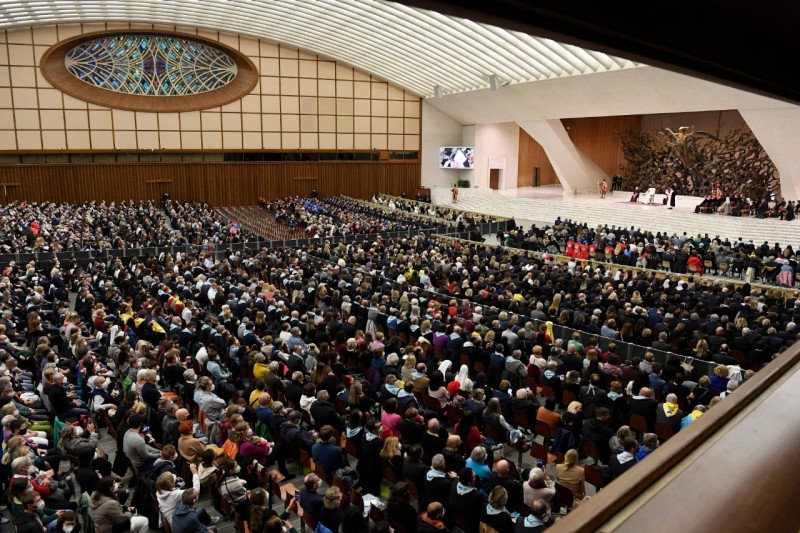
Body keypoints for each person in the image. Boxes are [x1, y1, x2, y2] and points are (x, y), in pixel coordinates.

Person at [448, 468, 485, 533]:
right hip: (470, 523)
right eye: (474, 477)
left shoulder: (454, 482)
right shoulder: (477, 495)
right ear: (469, 482)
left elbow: (456, 479)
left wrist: (454, 477)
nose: (476, 477)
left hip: (454, 517)